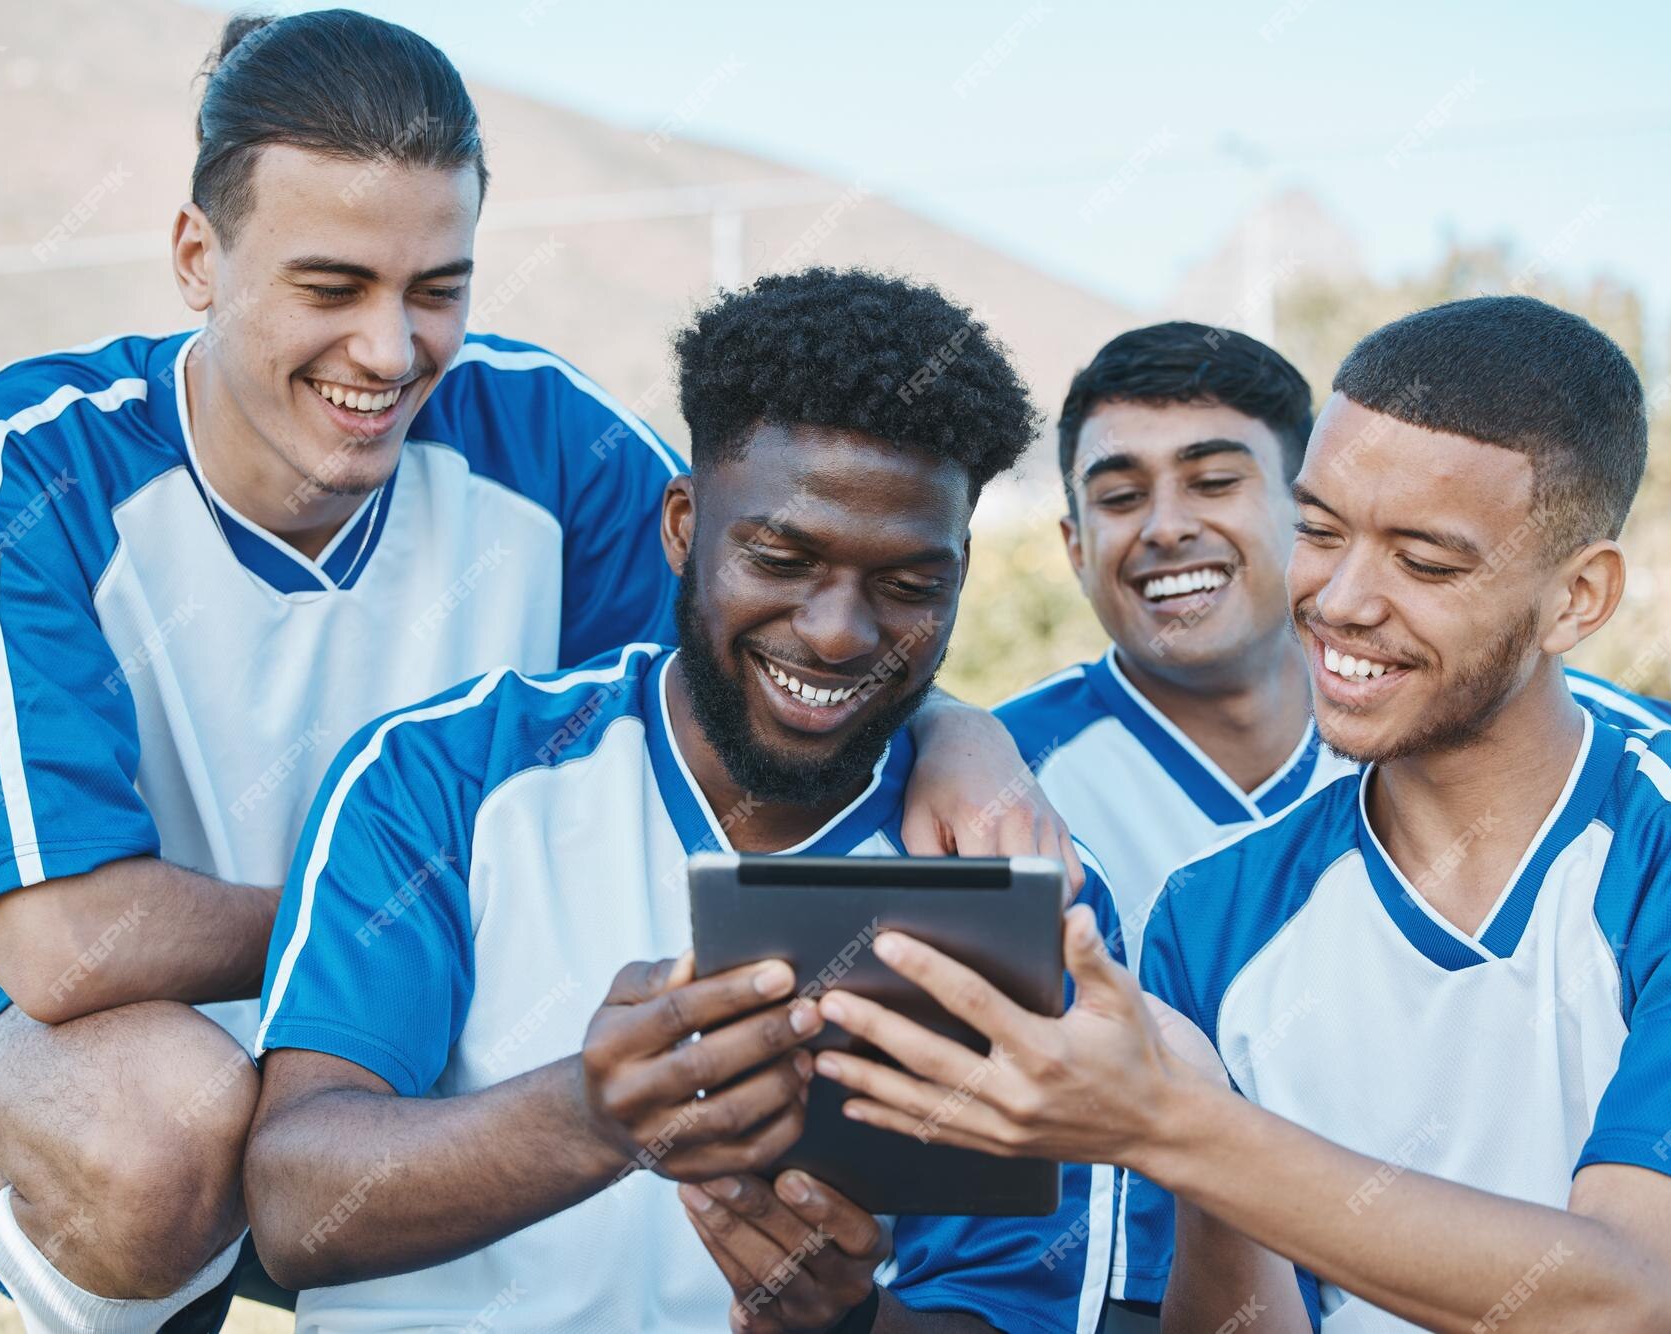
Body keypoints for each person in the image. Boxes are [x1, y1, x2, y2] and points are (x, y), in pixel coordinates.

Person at [0, 15, 1072, 1331]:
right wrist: (407, 909)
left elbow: (777, 608)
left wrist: (965, 728)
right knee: (163, 1131)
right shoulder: (40, 458)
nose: (390, 351)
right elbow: (66, 944)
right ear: (196, 259)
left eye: (434, 288)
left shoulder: (546, 440)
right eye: (331, 287)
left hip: (417, 1044)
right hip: (117, 1044)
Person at [811, 297, 1671, 1331]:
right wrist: (1197, 1147)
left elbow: (1620, 1292)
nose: (1342, 599)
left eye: (1425, 561)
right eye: (1319, 530)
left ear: (1577, 598)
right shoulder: (1212, 908)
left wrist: (1178, 1121)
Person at [243, 268, 1127, 1334]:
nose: (839, 630)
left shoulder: (1024, 892)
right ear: (680, 525)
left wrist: (846, 1321)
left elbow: (1013, 1313)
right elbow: (295, 1201)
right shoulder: (447, 775)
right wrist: (592, 1112)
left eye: (907, 582)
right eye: (780, 555)